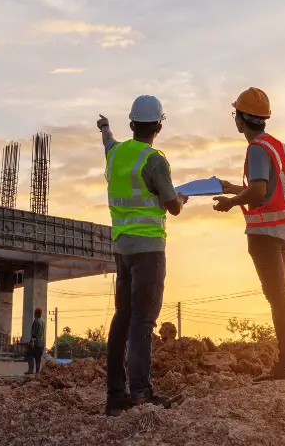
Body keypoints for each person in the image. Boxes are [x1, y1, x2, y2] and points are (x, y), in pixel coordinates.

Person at [99, 96, 188, 417]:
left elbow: (108, 143)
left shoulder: (116, 153)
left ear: (132, 124)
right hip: (149, 248)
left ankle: (115, 396)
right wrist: (181, 197)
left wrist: (105, 127)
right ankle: (140, 392)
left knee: (122, 317)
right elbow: (172, 205)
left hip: (121, 247)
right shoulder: (154, 161)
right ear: (159, 126)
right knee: (142, 320)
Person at [212, 87, 285, 381]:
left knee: (277, 297)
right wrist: (233, 188)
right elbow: (267, 192)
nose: (235, 120)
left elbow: (259, 191)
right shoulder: (278, 146)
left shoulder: (255, 149)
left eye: (235, 114)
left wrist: (231, 202)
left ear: (242, 119)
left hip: (265, 233)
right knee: (284, 296)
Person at [25, 307, 46, 374]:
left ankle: (31, 370)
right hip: (42, 344)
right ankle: (37, 372)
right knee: (38, 358)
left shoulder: (36, 321)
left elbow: (34, 334)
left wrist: (31, 342)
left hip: (36, 343)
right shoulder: (43, 321)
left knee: (29, 354)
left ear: (35, 314)